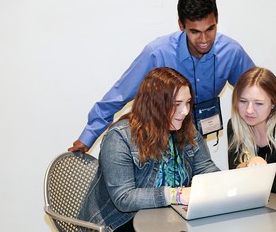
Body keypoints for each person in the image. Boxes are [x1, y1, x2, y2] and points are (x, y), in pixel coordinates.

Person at [69, 0, 255, 153]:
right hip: (156, 144)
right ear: (181, 26)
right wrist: (88, 136)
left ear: (217, 21)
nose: (204, 39)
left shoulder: (230, 52)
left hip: (195, 141)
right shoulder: (158, 53)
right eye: (195, 32)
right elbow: (119, 95)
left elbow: (257, 90)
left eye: (210, 29)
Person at [78, 68, 220, 231]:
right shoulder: (120, 137)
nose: (185, 111)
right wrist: (176, 195)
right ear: (154, 105)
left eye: (188, 103)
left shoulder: (186, 129)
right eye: (176, 105)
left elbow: (205, 169)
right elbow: (124, 198)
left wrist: (226, 183)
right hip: (119, 223)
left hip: (168, 219)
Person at [227, 67, 276, 195]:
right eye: (243, 101)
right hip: (253, 204)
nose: (249, 110)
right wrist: (249, 164)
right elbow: (233, 175)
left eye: (258, 104)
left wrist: (252, 171)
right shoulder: (234, 125)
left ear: (273, 103)